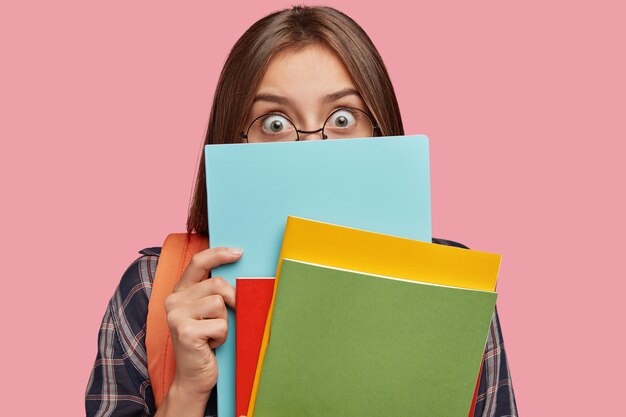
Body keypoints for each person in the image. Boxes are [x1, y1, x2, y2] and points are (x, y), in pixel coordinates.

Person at [85, 5, 518, 417]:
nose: (311, 149)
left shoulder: (454, 285)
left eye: (343, 119)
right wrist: (186, 393)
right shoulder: (151, 290)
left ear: (380, 130)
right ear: (233, 142)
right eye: (274, 123)